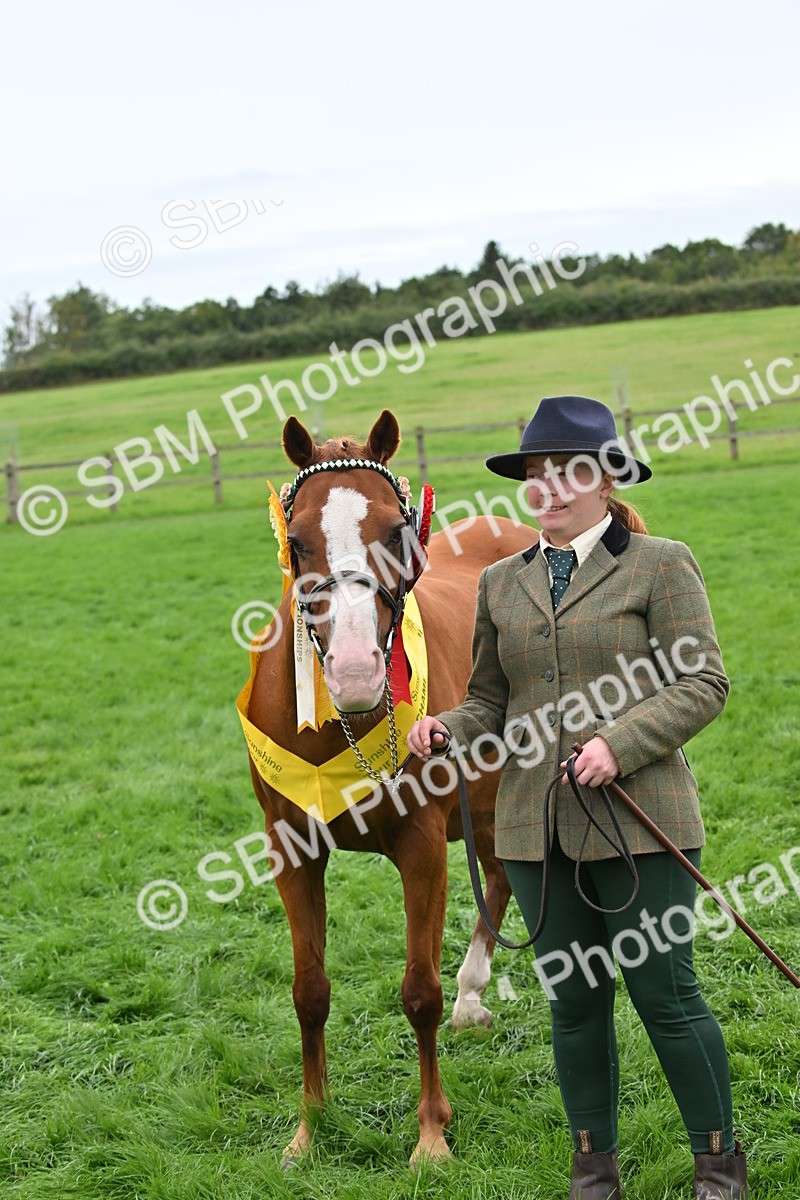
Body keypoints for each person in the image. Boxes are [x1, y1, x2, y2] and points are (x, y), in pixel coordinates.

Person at [407, 395, 749, 1200]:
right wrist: (446, 726)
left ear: (606, 480)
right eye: (536, 474)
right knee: (574, 1004)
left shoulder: (661, 564)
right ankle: (594, 1173)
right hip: (533, 829)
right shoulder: (501, 581)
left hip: (644, 820)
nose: (548, 488)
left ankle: (718, 1167)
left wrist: (618, 744)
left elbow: (703, 682)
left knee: (667, 996)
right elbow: (492, 700)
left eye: (567, 472)